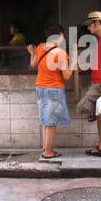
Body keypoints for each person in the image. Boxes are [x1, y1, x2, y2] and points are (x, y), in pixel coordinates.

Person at [27, 25, 77, 159]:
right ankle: (48, 152)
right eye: (63, 35)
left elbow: (33, 64)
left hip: (40, 88)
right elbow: (66, 76)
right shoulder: (60, 53)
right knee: (51, 122)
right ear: (59, 36)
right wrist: (73, 62)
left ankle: (45, 147)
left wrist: (32, 53)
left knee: (46, 121)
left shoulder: (40, 47)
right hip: (53, 89)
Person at [76, 11, 101, 158]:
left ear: (97, 23)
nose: (88, 28)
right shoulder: (100, 40)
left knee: (81, 107)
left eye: (90, 25)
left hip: (100, 83)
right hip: (97, 81)